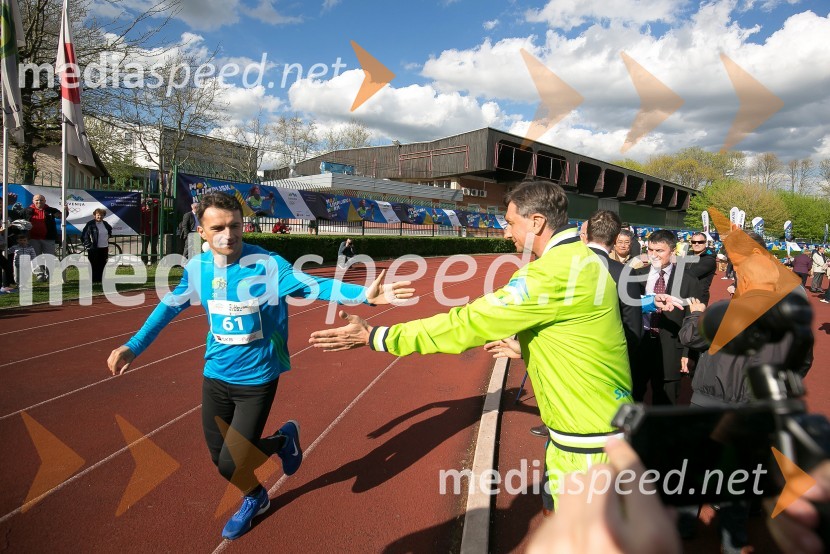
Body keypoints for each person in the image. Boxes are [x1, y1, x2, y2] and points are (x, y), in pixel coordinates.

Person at [106, 192, 414, 541]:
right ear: (202, 232)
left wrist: (361, 295)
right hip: (215, 374)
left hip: (257, 378)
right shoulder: (197, 269)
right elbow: (168, 308)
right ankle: (276, 455)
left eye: (235, 225)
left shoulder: (268, 265)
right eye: (218, 227)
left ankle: (255, 493)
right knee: (218, 456)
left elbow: (314, 285)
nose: (228, 234)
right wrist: (134, 346)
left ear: (243, 225)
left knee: (231, 461)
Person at [309, 180, 632, 509]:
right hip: (595, 427)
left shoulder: (550, 274)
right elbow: (580, 332)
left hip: (587, 441)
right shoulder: (585, 259)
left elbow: (466, 324)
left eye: (510, 223)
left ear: (536, 222)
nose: (506, 233)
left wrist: (378, 336)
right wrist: (530, 348)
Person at [632, 229, 701, 405]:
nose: (653, 255)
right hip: (639, 346)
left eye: (659, 251)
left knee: (665, 402)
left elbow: (692, 317)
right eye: (650, 250)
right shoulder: (636, 276)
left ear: (673, 251)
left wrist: (688, 352)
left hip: (671, 348)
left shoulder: (689, 280)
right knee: (633, 397)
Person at [23, 194, 62, 282]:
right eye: (37, 200)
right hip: (32, 239)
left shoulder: (50, 210)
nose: (39, 202)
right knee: (35, 258)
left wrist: (66, 211)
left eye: (41, 200)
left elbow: (61, 216)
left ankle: (49, 275)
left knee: (50, 257)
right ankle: (39, 275)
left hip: (48, 238)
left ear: (45, 201)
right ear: (33, 201)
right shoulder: (27, 210)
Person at [81, 208, 113, 284]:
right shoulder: (90, 224)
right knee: (93, 263)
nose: (100, 217)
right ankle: (93, 279)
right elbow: (84, 235)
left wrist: (109, 235)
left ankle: (101, 278)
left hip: (104, 247)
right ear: (94, 215)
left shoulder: (105, 223)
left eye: (102, 215)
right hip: (94, 248)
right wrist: (88, 245)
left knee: (102, 263)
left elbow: (109, 230)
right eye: (98, 215)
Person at [685, 231, 717, 305]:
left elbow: (690, 275)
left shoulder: (709, 260)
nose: (696, 244)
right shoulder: (688, 254)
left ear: (705, 242)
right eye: (694, 242)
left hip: (698, 299)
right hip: (683, 295)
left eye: (700, 242)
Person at [140, 198, 160, 265]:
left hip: (154, 232)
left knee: (153, 248)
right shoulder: (143, 210)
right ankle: (144, 261)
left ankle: (153, 261)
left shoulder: (155, 210)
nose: (149, 206)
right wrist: (144, 201)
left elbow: (158, 202)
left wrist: (151, 199)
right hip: (145, 232)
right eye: (148, 204)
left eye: (151, 204)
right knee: (144, 248)